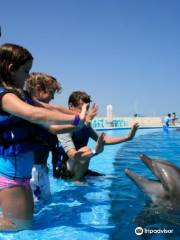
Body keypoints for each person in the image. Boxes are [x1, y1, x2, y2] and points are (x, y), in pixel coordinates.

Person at [0, 43, 91, 231]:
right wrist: (75, 119)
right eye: (26, 71)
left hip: (20, 174)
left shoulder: (20, 95)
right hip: (11, 173)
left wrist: (80, 118)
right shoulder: (5, 97)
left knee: (25, 223)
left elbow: (49, 108)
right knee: (19, 225)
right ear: (11, 69)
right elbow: (33, 114)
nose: (27, 77)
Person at [24, 72, 97, 203]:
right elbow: (54, 124)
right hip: (30, 169)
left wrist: (82, 119)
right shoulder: (31, 109)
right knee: (34, 207)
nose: (52, 96)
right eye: (51, 92)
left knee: (44, 203)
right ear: (38, 89)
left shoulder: (38, 108)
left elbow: (56, 111)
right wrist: (80, 120)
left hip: (41, 167)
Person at [53, 91, 139, 181]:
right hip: (62, 170)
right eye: (81, 109)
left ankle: (80, 175)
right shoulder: (64, 125)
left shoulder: (84, 125)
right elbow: (73, 155)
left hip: (78, 165)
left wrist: (127, 137)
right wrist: (95, 151)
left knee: (111, 178)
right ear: (71, 106)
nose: (85, 112)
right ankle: (75, 181)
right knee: (86, 149)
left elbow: (104, 140)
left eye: (87, 109)